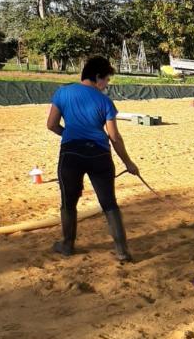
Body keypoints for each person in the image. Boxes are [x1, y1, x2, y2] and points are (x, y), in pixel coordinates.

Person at [46, 55, 139, 262]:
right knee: (109, 203)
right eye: (106, 80)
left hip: (71, 154)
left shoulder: (63, 93)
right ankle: (122, 251)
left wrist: (70, 135)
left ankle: (67, 244)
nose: (106, 86)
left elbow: (51, 124)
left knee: (68, 202)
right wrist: (128, 163)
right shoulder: (105, 102)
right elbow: (114, 136)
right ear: (97, 77)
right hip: (100, 154)